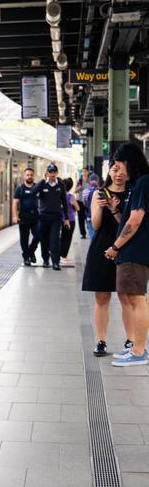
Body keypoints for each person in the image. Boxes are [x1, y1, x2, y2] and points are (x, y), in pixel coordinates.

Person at [104, 143, 149, 366]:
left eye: (121, 166)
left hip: (135, 252)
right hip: (133, 251)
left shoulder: (143, 183)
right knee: (133, 298)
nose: (118, 171)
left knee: (137, 299)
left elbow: (135, 219)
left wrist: (116, 245)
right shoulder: (138, 184)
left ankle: (139, 351)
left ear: (130, 162)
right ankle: (138, 348)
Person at [81, 165, 131, 357]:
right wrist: (101, 208)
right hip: (101, 247)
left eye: (122, 170)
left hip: (125, 248)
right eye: (115, 169)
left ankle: (130, 340)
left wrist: (114, 209)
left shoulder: (133, 192)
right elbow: (95, 224)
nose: (118, 173)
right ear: (109, 172)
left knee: (126, 297)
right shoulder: (99, 194)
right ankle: (101, 341)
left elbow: (129, 226)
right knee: (101, 297)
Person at [30, 163, 70, 270]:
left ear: (57, 173)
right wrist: (42, 181)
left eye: (54, 172)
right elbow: (33, 193)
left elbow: (64, 202)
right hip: (43, 217)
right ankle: (45, 260)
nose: (52, 174)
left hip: (56, 217)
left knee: (55, 240)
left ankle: (56, 262)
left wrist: (66, 218)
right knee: (44, 240)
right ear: (47, 173)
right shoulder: (43, 184)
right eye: (50, 172)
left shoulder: (60, 185)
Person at [12, 168, 40, 266]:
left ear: (34, 176)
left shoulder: (37, 187)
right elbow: (15, 203)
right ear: (24, 176)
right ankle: (26, 257)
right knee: (24, 238)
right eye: (27, 175)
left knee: (38, 235)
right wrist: (15, 216)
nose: (29, 176)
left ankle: (31, 251)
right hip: (23, 217)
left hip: (36, 217)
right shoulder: (20, 188)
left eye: (31, 175)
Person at [59, 177, 79, 263]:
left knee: (61, 237)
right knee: (67, 238)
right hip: (70, 219)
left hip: (60, 219)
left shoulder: (58, 195)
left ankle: (58, 255)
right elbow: (77, 208)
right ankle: (63, 256)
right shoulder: (70, 196)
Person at [84, 173, 100, 238]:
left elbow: (84, 203)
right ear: (98, 180)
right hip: (100, 216)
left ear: (89, 181)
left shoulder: (85, 191)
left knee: (92, 234)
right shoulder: (102, 190)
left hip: (90, 216)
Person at [75, 167, 90, 238]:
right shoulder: (79, 181)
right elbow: (75, 190)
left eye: (85, 171)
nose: (83, 173)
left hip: (88, 201)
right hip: (80, 201)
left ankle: (89, 230)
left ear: (87, 172)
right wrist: (79, 188)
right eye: (83, 171)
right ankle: (83, 233)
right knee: (80, 218)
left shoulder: (90, 181)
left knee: (88, 217)